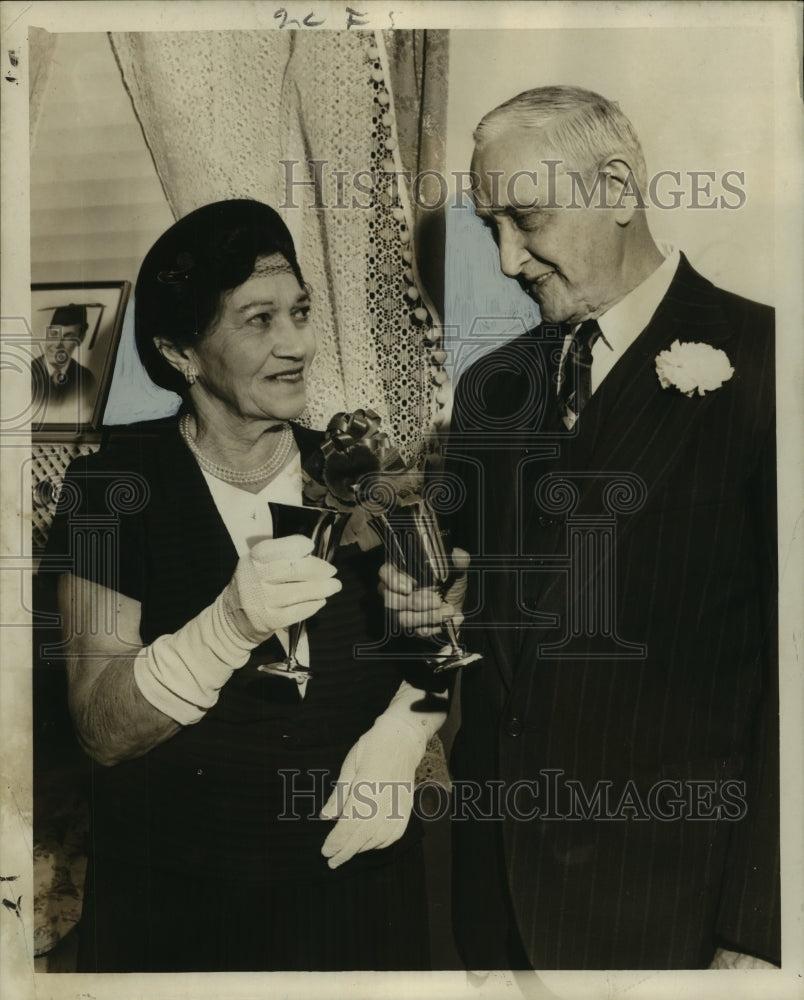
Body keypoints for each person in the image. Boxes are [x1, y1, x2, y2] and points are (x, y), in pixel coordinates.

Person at [383, 86, 779, 970]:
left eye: (526, 217)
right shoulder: (492, 389)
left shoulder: (768, 367)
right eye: (491, 225)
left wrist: (757, 931)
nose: (508, 257)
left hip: (675, 909)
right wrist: (420, 608)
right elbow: (454, 618)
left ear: (619, 187)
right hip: (495, 900)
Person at [41, 199, 446, 972]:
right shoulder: (110, 486)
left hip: (358, 891)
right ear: (180, 352)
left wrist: (407, 732)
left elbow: (439, 637)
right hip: (183, 911)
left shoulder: (362, 465)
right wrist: (226, 625)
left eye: (300, 312)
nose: (296, 344)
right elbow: (98, 725)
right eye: (258, 320)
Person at [31, 304, 97, 425]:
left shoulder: (86, 379)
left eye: (68, 337)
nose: (57, 344)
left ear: (81, 338)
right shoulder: (24, 376)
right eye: (54, 334)